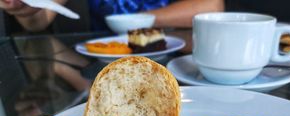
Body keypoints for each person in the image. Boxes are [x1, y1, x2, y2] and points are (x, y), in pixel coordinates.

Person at [0, 0, 224, 32]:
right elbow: (39, 21)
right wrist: (25, 6)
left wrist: (135, 21)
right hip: (99, 62)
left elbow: (212, 6)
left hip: (168, 58)